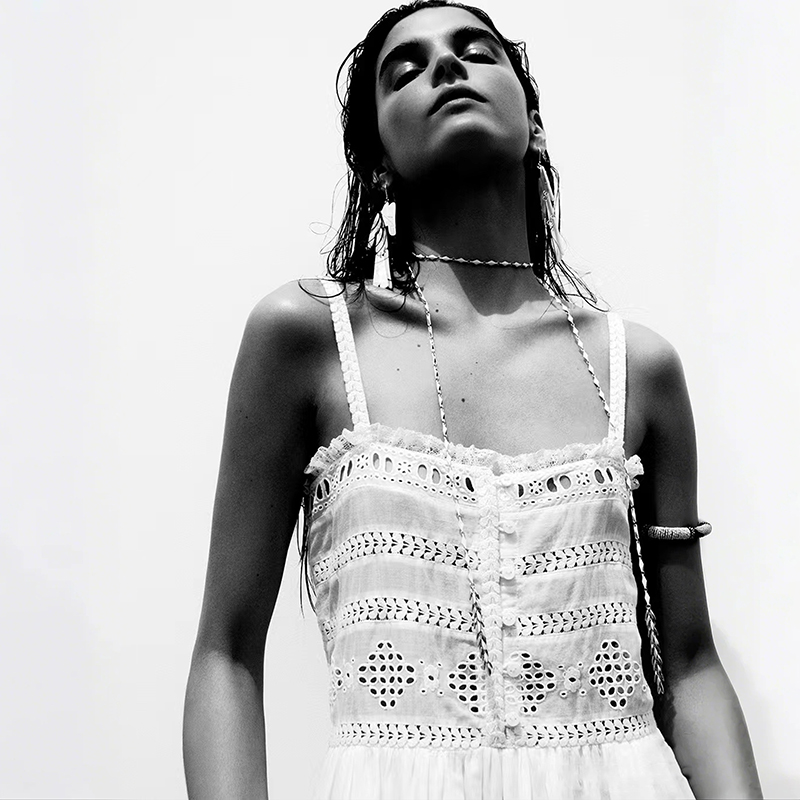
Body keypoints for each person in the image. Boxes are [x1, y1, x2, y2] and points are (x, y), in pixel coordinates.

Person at [182, 2, 763, 797]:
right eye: (406, 69)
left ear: (534, 122)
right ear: (375, 159)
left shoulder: (636, 366)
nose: (446, 67)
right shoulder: (310, 337)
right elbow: (225, 653)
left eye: (476, 50)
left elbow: (690, 667)